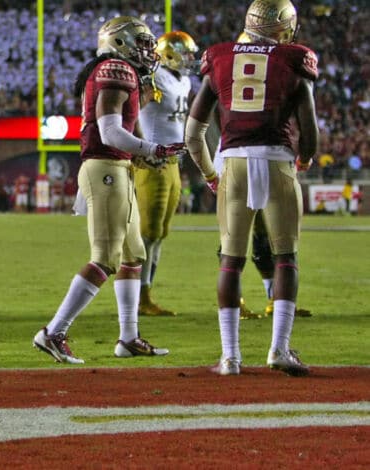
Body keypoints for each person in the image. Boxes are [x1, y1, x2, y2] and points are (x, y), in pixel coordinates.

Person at [33, 16, 185, 364]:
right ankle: (53, 332)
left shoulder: (122, 71)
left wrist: (145, 149)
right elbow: (110, 132)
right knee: (105, 257)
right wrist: (152, 150)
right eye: (143, 43)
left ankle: (128, 338)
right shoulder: (115, 70)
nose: (149, 51)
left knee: (134, 256)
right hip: (105, 168)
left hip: (118, 169)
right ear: (120, 43)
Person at [184, 0, 318, 376]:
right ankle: (278, 349)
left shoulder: (219, 57)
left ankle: (230, 357)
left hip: (234, 163)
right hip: (276, 160)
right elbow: (309, 131)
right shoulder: (295, 59)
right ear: (284, 26)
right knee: (285, 257)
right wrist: (304, 159)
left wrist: (211, 174)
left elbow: (193, 134)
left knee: (231, 260)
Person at [135, 31, 199, 317]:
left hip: (173, 161)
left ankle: (146, 294)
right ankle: (138, 297)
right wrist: (139, 148)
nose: (191, 59)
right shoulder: (155, 76)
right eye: (187, 53)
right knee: (147, 233)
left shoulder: (182, 80)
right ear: (169, 54)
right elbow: (133, 110)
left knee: (159, 234)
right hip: (154, 161)